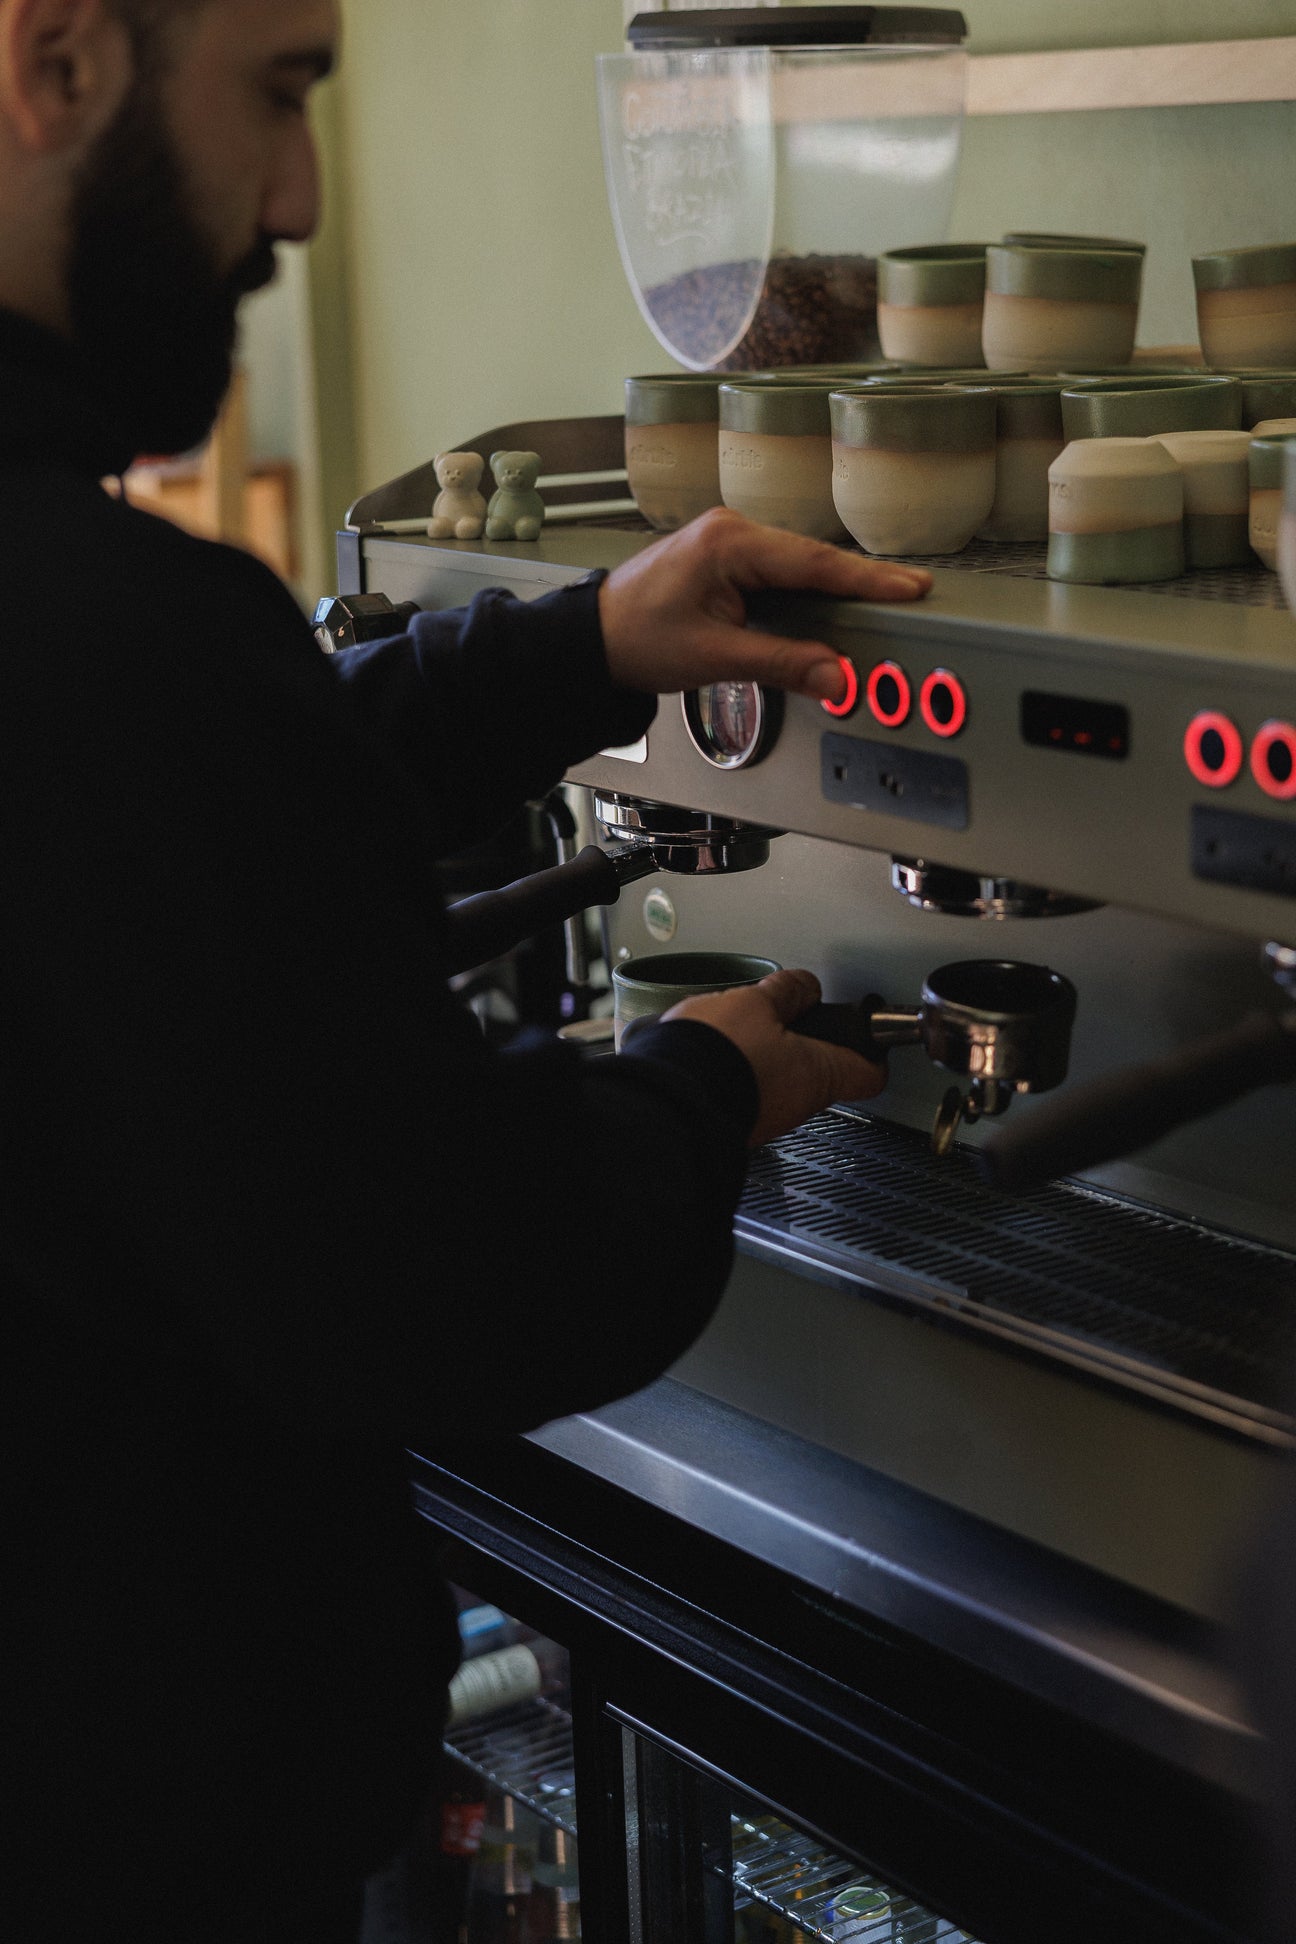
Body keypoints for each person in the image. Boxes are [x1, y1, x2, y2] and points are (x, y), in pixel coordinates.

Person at [0, 1, 933, 1938]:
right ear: (54, 61)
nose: (302, 198)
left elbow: (184, 830)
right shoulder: (116, 646)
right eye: (277, 93)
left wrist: (580, 646)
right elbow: (443, 1272)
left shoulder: (104, 643)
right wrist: (700, 1091)